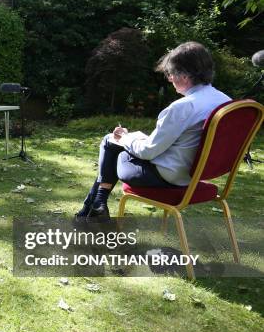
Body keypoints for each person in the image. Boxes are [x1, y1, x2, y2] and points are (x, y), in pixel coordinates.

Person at [75, 41, 231, 219]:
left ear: (185, 76)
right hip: (195, 174)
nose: (170, 78)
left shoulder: (183, 107)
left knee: (112, 142)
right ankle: (94, 207)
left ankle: (95, 205)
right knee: (117, 141)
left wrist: (125, 138)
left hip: (169, 177)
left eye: (171, 73)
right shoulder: (225, 101)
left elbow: (148, 151)